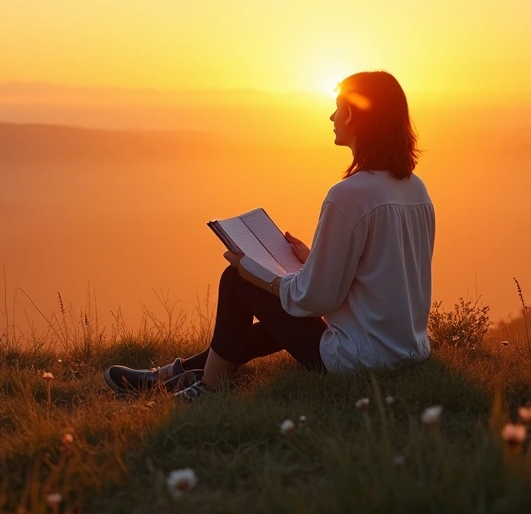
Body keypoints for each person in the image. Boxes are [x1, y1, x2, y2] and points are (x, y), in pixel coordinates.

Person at [103, 71, 435, 402]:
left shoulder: (348, 195)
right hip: (408, 350)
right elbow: (382, 274)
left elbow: (315, 300)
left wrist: (258, 274)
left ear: (351, 114)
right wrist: (312, 260)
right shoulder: (416, 190)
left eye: (338, 107)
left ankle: (208, 388)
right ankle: (173, 374)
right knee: (278, 311)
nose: (332, 117)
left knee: (236, 280)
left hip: (358, 360)